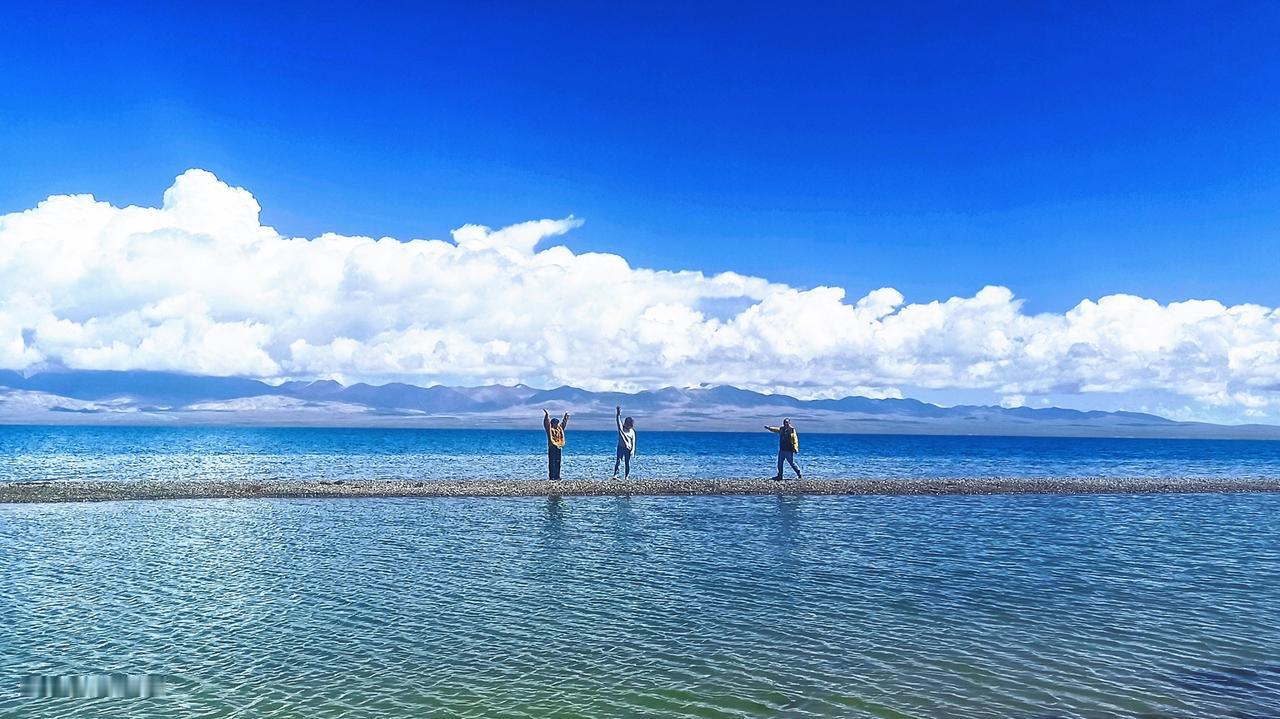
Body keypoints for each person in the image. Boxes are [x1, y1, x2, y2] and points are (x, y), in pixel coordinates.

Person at [543, 409, 570, 480]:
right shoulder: (550, 429)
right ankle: (552, 476)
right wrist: (547, 416)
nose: (557, 424)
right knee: (552, 462)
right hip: (552, 447)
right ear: (552, 423)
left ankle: (557, 476)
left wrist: (565, 417)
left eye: (557, 423)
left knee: (558, 462)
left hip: (558, 446)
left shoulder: (559, 429)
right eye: (555, 423)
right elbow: (546, 424)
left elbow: (563, 424)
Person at [613, 405, 636, 479]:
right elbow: (618, 422)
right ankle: (615, 475)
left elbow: (633, 441)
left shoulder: (632, 432)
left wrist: (632, 450)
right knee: (618, 461)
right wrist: (618, 414)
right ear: (626, 424)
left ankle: (626, 476)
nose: (631, 427)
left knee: (627, 462)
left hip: (628, 449)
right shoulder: (621, 429)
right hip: (621, 447)